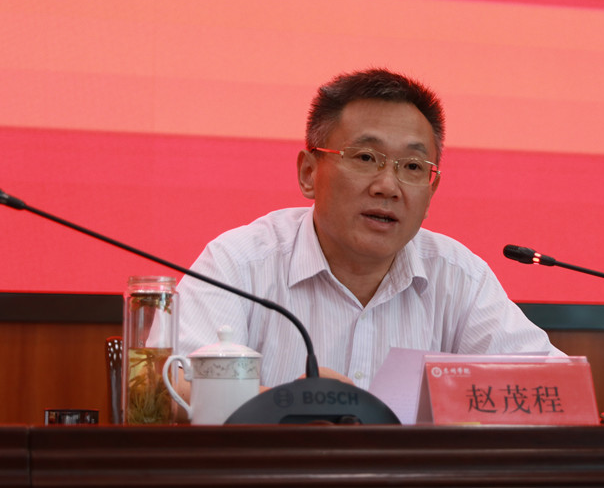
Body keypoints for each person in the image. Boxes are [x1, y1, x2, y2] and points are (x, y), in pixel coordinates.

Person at [175, 68, 564, 391]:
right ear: (308, 173)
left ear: (431, 192)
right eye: (364, 157)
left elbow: (552, 388)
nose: (388, 187)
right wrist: (294, 406)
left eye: (412, 167)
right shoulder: (238, 264)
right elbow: (175, 387)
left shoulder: (459, 277)